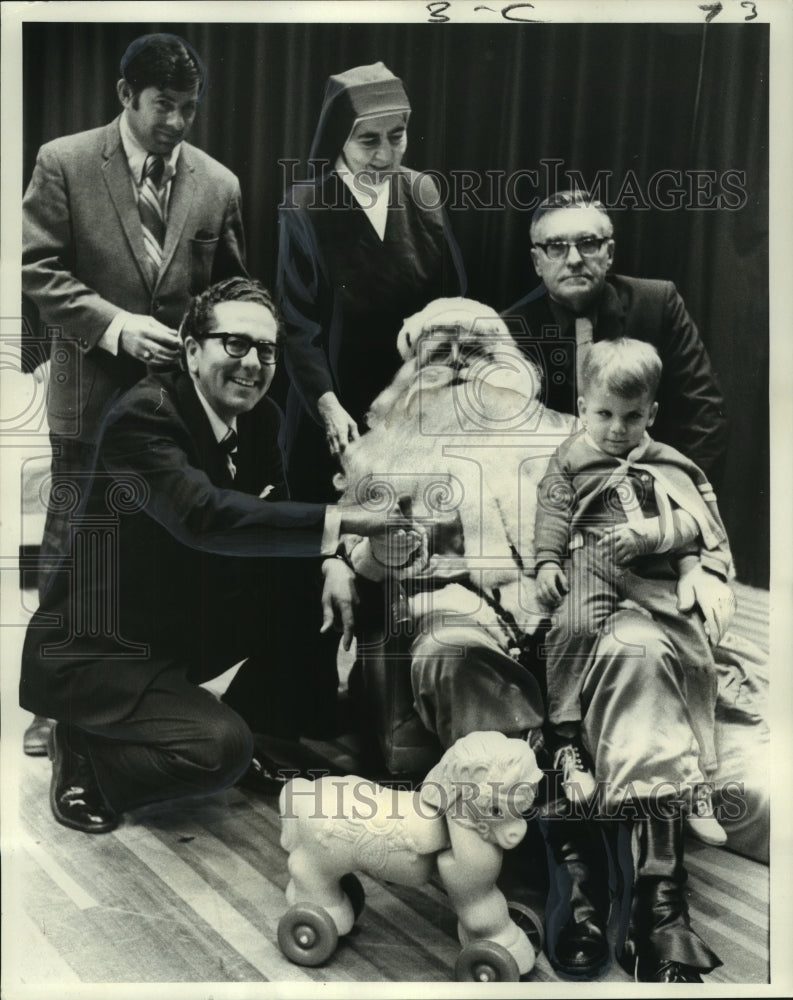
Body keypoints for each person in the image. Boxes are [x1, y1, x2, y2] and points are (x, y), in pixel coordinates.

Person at [321, 298, 763, 984]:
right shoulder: (383, 453)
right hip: (462, 609)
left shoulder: (569, 436)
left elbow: (671, 504)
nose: (460, 367)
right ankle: (565, 868)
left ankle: (658, 896)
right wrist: (362, 557)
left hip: (580, 603)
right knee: (450, 652)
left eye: (478, 350)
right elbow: (359, 551)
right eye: (440, 353)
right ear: (411, 368)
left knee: (637, 649)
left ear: (512, 365)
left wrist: (699, 569)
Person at [18, 278, 428, 836]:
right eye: (234, 344)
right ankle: (89, 751)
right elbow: (203, 517)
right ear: (191, 350)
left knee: (327, 588)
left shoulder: (264, 418)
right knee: (217, 752)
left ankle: (251, 725)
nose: (253, 363)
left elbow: (275, 512)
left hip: (186, 620)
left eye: (266, 349)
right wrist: (350, 522)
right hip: (105, 650)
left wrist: (333, 561)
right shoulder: (143, 415)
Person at [21, 32, 248, 754]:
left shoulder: (219, 183)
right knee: (71, 548)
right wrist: (118, 328)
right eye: (162, 106)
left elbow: (232, 292)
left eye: (187, 108)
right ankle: (50, 703)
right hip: (89, 394)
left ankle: (141, 687)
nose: (176, 122)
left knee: (154, 551)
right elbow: (41, 273)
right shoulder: (64, 160)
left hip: (176, 410)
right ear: (126, 96)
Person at [275, 61, 466, 735]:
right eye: (369, 141)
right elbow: (295, 325)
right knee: (326, 562)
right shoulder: (303, 205)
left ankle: (391, 714)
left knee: (400, 556)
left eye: (397, 137)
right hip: (329, 412)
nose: (385, 155)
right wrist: (325, 401)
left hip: (409, 411)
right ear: (338, 142)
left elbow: (453, 302)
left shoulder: (424, 194)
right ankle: (299, 714)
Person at [534, 338, 733, 847]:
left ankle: (698, 774)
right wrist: (547, 562)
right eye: (603, 414)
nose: (617, 429)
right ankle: (565, 739)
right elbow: (553, 513)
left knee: (692, 643)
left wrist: (657, 535)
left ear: (652, 413)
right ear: (582, 409)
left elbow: (700, 520)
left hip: (652, 570)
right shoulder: (570, 459)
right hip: (591, 563)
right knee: (570, 627)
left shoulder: (668, 460)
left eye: (632, 416)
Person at [503, 190, 727, 485]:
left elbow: (705, 415)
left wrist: (674, 499)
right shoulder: (509, 330)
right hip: (551, 502)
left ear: (608, 253)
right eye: (556, 247)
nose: (573, 260)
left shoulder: (658, 304)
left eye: (588, 244)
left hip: (653, 493)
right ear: (536, 261)